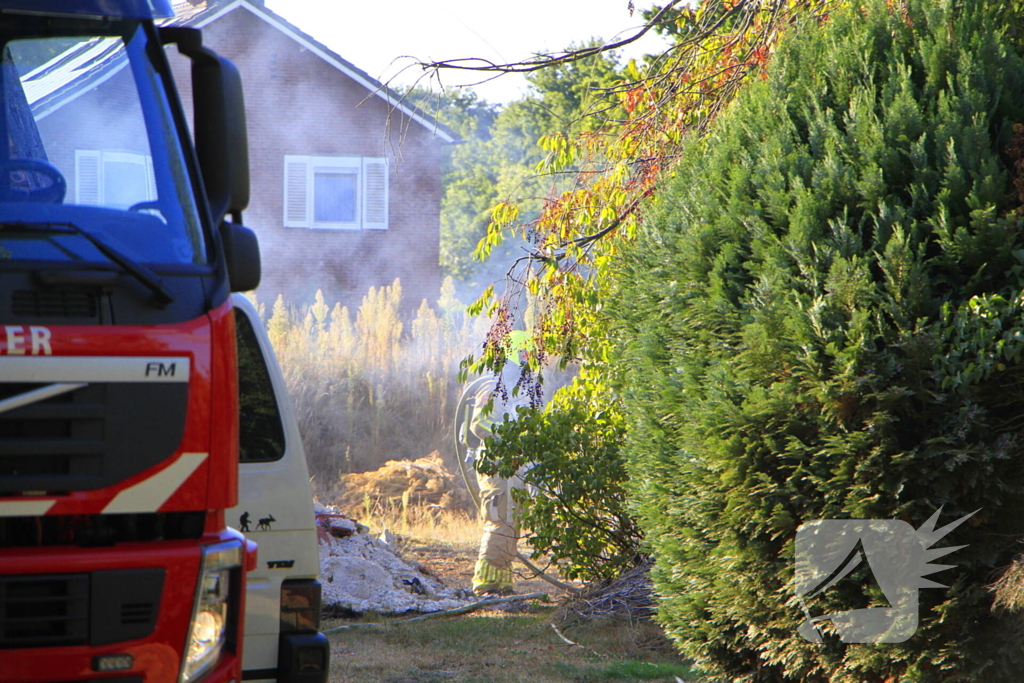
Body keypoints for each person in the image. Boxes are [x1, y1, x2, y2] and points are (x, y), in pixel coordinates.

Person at [461, 332, 537, 596]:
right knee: (499, 519)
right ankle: (485, 584)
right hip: (495, 463)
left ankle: (503, 583)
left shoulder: (523, 387)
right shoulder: (494, 385)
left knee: (513, 520)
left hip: (515, 463)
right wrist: (510, 434)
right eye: (524, 351)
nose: (528, 357)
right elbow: (479, 424)